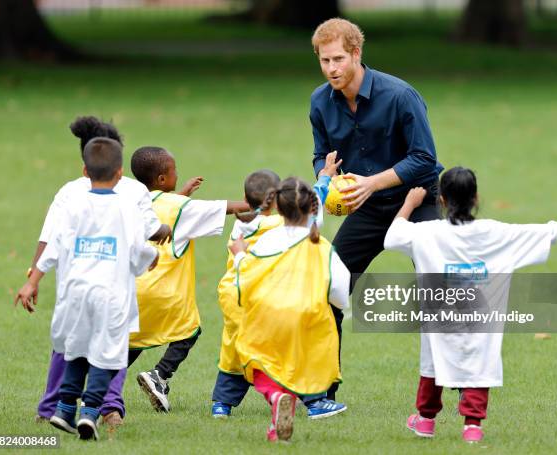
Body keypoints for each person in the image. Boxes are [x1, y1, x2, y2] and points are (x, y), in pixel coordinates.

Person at [383, 166, 557, 443]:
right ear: (476, 198)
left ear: (441, 200)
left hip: (439, 319)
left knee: (433, 362)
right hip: (480, 319)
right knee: (480, 360)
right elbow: (526, 233)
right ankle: (472, 426)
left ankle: (426, 421)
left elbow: (392, 237)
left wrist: (409, 204)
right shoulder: (494, 232)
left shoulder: (427, 233)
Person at [309, 18, 444, 399]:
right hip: (365, 207)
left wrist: (371, 182)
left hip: (418, 199)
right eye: (324, 61)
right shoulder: (320, 102)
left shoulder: (400, 96)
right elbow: (321, 154)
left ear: (356, 54)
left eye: (338, 59)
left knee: (440, 296)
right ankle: (323, 390)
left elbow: (424, 158)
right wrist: (326, 174)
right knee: (327, 290)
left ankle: (458, 391)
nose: (332, 68)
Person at [32, 116, 173, 429]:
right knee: (111, 348)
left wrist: (33, 276)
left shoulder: (69, 193)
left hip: (74, 285)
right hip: (112, 287)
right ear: (119, 161)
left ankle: (53, 406)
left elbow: (48, 238)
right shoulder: (133, 191)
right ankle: (107, 409)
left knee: (68, 346)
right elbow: (148, 233)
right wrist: (155, 244)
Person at [212, 153, 347, 420]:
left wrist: (240, 254)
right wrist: (324, 179)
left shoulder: (249, 228)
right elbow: (309, 212)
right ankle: (315, 401)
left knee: (239, 353)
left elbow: (302, 212)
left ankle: (222, 404)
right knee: (302, 352)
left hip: (244, 299)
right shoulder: (299, 235)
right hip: (283, 303)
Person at [125, 146, 250, 413]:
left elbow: (159, 210)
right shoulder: (182, 207)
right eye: (173, 172)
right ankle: (160, 375)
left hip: (132, 289)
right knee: (189, 331)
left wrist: (180, 193)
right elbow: (224, 208)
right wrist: (257, 202)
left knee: (133, 339)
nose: (177, 175)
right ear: (161, 179)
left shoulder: (132, 202)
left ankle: (97, 383)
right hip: (166, 293)